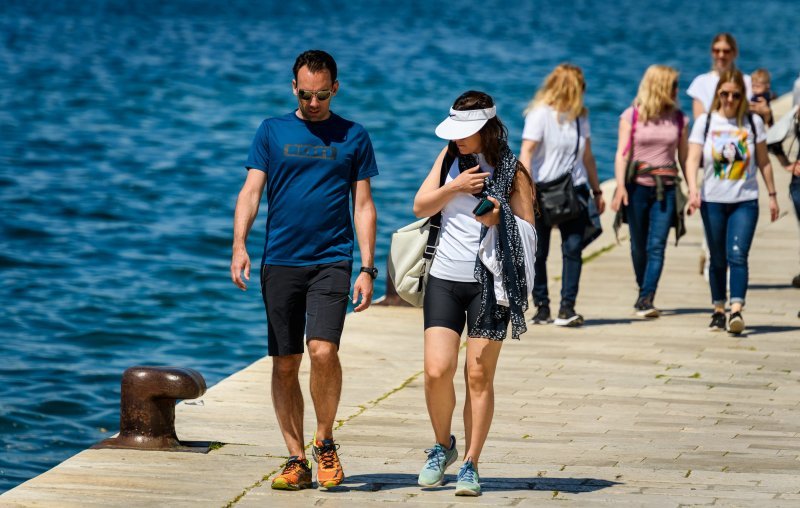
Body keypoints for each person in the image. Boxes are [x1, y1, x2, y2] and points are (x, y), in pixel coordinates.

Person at [230, 49, 378, 491]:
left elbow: (364, 205)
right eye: (307, 95)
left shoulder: (353, 135)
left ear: (336, 88)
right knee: (284, 362)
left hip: (332, 260)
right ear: (294, 88)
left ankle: (325, 442)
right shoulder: (271, 131)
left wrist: (368, 267)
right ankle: (296, 459)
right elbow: (251, 191)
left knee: (322, 351)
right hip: (280, 261)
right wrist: (239, 244)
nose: (314, 103)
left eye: (322, 95)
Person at [413, 91, 535, 496]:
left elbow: (530, 233)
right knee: (436, 371)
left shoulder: (512, 171)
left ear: (485, 128)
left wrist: (501, 220)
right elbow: (419, 205)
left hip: (490, 282)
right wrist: (456, 188)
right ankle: (442, 445)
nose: (458, 139)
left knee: (478, 374)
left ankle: (470, 463)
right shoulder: (448, 159)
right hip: (444, 277)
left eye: (465, 133)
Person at [686, 69, 779, 334]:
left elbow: (763, 161)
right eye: (724, 94)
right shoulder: (705, 122)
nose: (729, 99)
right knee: (717, 258)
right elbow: (692, 159)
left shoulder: (752, 123)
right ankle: (718, 309)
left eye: (735, 95)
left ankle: (736, 310)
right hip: (712, 200)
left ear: (743, 96)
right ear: (717, 94)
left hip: (745, 200)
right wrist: (693, 190)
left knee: (738, 255)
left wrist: (772, 196)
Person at [519, 63, 605, 327]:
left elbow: (587, 156)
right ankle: (542, 307)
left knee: (573, 249)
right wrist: (528, 190)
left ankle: (567, 308)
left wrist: (596, 189)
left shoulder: (581, 116)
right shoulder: (540, 115)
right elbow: (527, 153)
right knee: (538, 251)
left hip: (574, 190)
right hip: (543, 190)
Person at [611, 65, 689, 317]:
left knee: (657, 245)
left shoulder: (679, 118)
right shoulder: (632, 115)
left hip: (666, 190)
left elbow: (686, 158)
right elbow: (622, 155)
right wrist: (621, 186)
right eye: (674, 86)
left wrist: (694, 189)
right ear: (661, 86)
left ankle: (646, 297)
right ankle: (643, 289)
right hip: (637, 188)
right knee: (638, 245)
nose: (678, 91)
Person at [687, 33, 753, 120]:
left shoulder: (747, 81)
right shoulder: (700, 82)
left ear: (735, 53)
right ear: (711, 52)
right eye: (716, 51)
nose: (721, 55)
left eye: (726, 51)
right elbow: (699, 120)